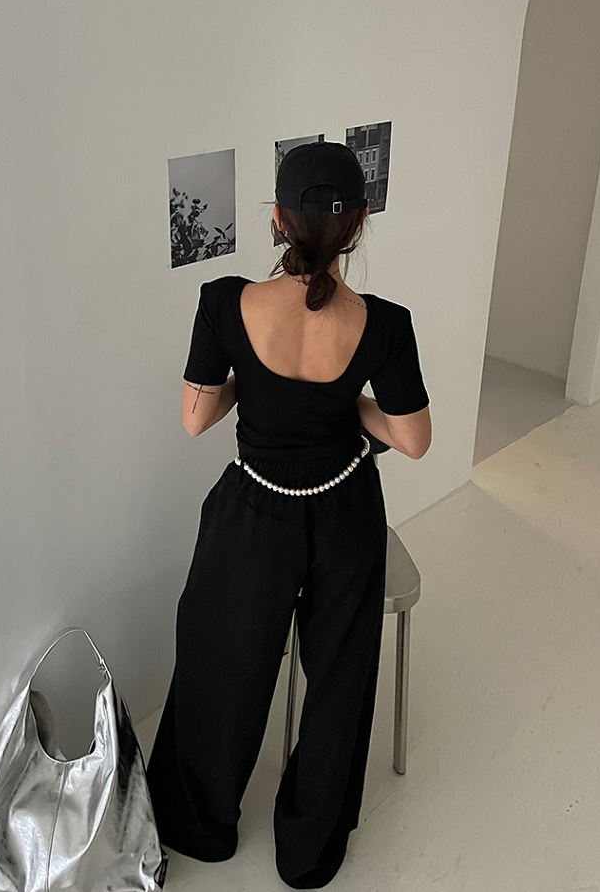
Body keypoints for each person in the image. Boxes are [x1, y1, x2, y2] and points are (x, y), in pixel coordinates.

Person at [146, 140, 432, 889]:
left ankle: (199, 824)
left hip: (253, 513)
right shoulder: (386, 323)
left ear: (277, 219)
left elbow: (195, 418)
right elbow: (412, 439)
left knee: (220, 663)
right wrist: (347, 402)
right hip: (345, 510)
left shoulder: (223, 301)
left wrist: (256, 382)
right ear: (359, 224)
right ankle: (308, 852)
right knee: (338, 678)